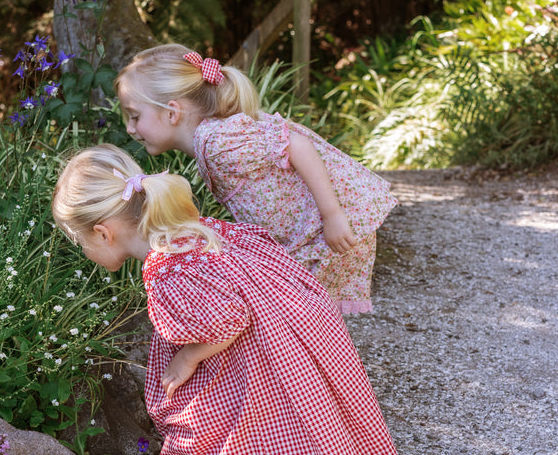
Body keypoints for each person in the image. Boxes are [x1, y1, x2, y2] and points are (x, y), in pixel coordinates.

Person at [52, 144, 413, 455]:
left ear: (102, 231)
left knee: (210, 429)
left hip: (255, 355)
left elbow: (226, 320)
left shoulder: (167, 266)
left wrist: (187, 356)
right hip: (284, 341)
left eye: (78, 240)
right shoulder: (196, 230)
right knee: (276, 437)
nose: (83, 250)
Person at [115, 43, 397, 314]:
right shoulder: (211, 138)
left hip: (323, 229)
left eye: (134, 116)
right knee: (291, 316)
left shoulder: (218, 142)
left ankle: (309, 360)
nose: (129, 128)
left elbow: (297, 145)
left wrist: (332, 215)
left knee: (291, 315)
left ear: (172, 112)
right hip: (302, 233)